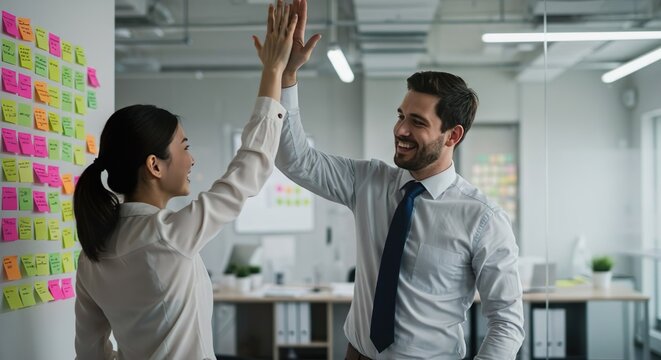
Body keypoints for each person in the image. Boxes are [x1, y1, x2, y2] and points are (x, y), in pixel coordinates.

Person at [262, 1, 525, 358]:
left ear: (453, 135)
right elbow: (295, 160)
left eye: (417, 122)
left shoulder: (482, 218)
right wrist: (287, 77)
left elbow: (507, 321)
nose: (400, 129)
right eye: (401, 116)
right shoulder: (369, 181)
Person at [72, 2, 297, 359]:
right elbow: (249, 168)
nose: (192, 159)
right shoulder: (169, 235)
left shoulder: (90, 257)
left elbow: (90, 354)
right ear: (155, 166)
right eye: (184, 147)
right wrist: (274, 71)